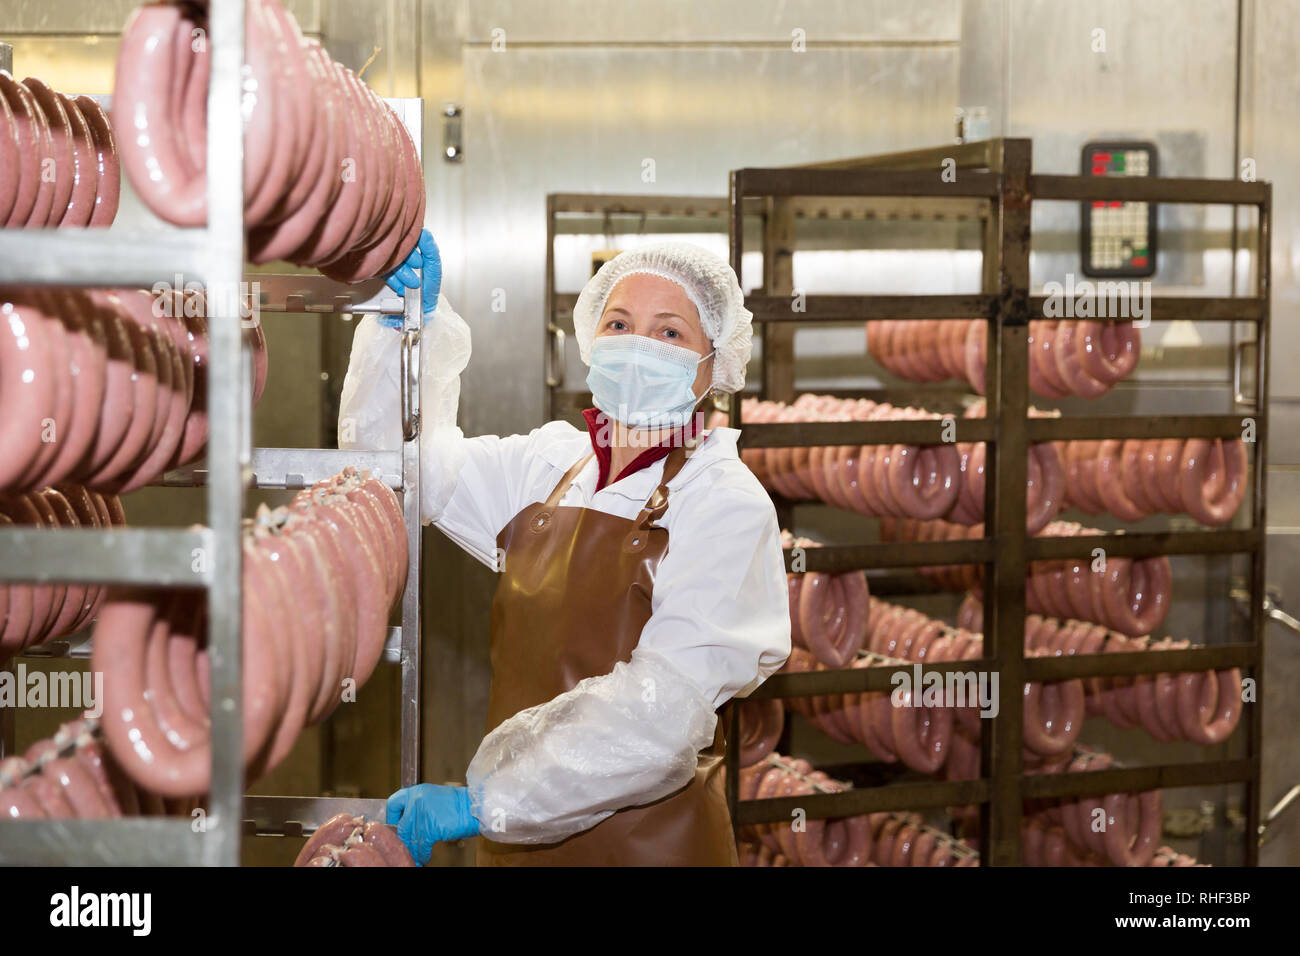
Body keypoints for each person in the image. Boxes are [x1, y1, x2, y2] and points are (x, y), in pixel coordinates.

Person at [340, 230, 790, 866]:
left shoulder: (723, 503)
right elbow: (401, 475)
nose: (637, 345)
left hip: (647, 849)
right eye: (619, 322)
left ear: (716, 364)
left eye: (668, 333)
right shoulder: (549, 466)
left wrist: (486, 799)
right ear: (589, 338)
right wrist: (406, 330)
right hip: (518, 841)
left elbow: (659, 717)